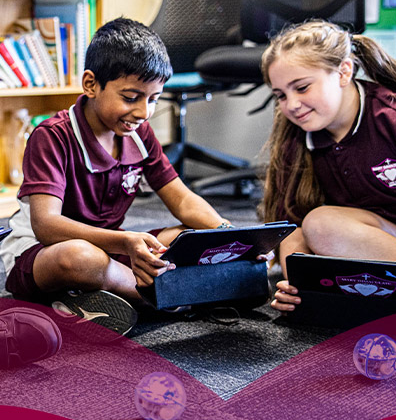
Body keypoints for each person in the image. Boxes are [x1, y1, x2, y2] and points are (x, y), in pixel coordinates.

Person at [0, 18, 232, 336]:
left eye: (153, 99)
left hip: (110, 247)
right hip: (42, 252)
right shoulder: (51, 135)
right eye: (131, 97)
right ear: (91, 84)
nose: (143, 112)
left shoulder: (139, 132)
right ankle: (169, 296)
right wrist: (126, 241)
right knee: (82, 258)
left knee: (184, 238)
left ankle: (86, 301)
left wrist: (229, 236)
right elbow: (47, 225)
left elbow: (181, 198)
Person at [261, 20, 396, 327]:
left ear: (344, 72)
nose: (291, 105)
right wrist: (296, 284)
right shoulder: (297, 133)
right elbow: (292, 224)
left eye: (302, 87)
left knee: (322, 225)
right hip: (387, 250)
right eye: (280, 95)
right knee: (320, 224)